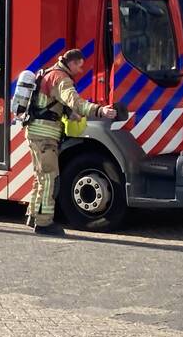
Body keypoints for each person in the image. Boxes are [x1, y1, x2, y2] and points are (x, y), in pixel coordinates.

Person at [26, 49, 117, 236]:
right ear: (72, 63)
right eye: (80, 65)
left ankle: (34, 215)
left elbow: (52, 104)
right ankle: (44, 223)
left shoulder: (49, 73)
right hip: (45, 136)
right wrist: (100, 111)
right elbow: (75, 102)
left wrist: (68, 113)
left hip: (36, 132)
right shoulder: (61, 78)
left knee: (41, 176)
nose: (81, 70)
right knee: (50, 178)